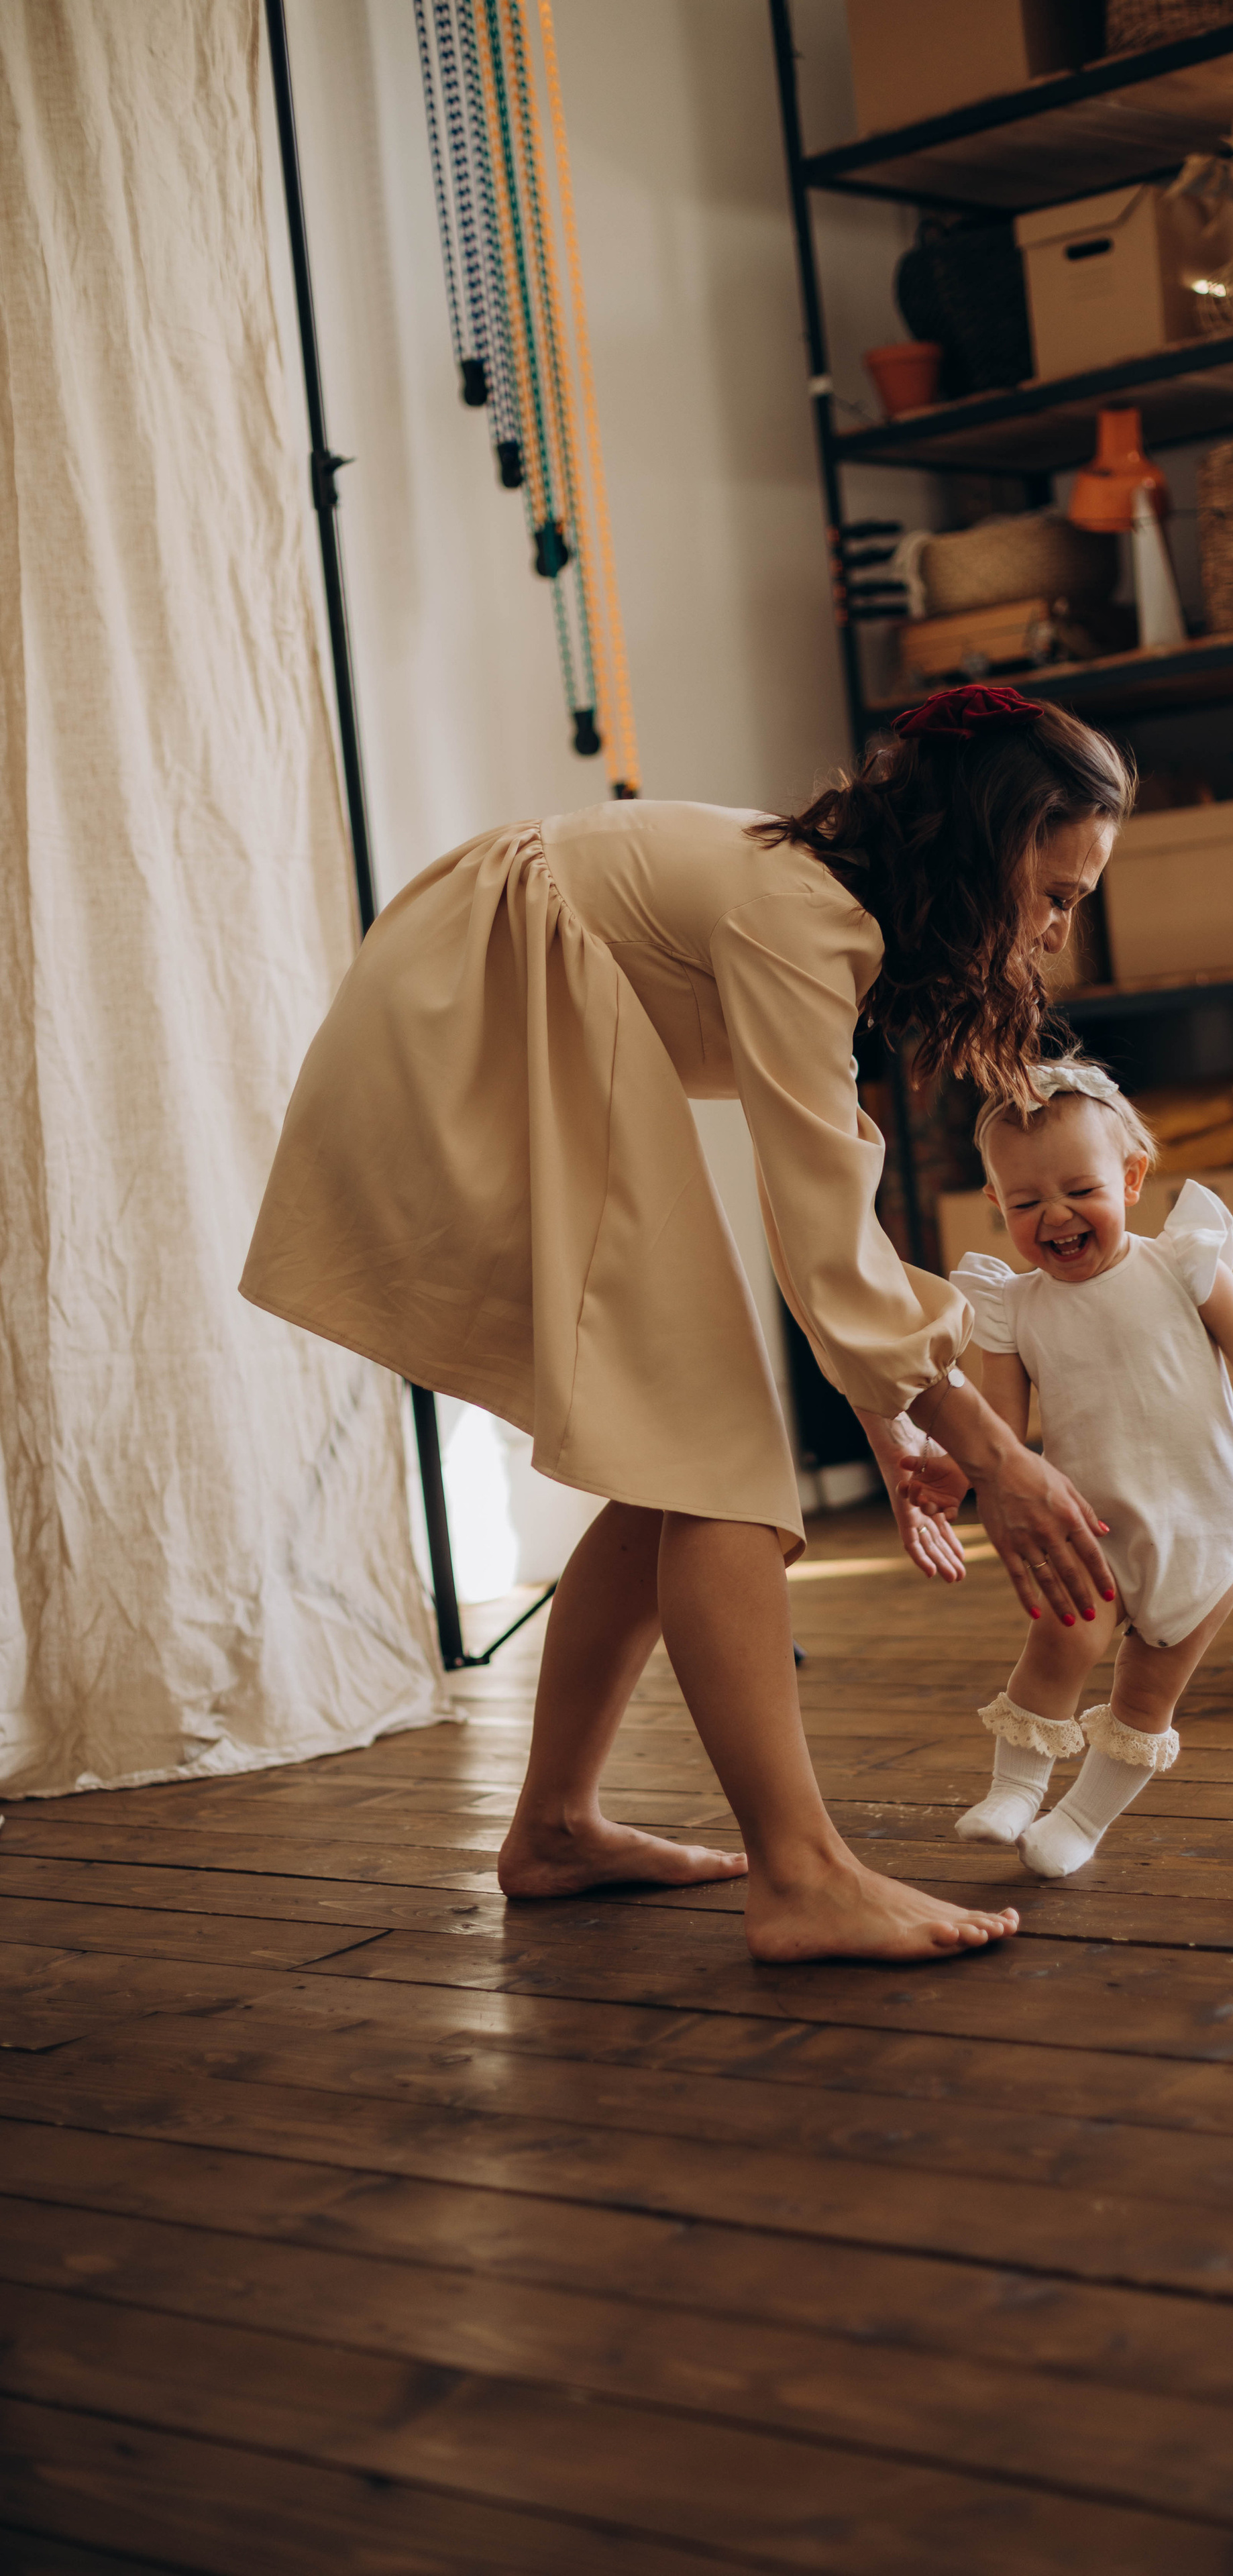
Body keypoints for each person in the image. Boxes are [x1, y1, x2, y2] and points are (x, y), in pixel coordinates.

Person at [240, 684, 1132, 1962]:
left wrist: (893, 1421)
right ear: (980, 849)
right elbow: (832, 1242)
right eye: (1054, 895)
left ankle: (553, 1827)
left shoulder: (822, 910)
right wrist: (999, 1458)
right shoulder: (800, 915)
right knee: (715, 1451)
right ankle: (803, 1872)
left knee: (682, 1450)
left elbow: (817, 1201)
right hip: (463, 1039)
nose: (1055, 934)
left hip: (483, 1016)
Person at [941, 1058, 1233, 1878]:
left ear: (1130, 1180)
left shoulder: (1183, 1267)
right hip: (1085, 1525)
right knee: (1059, 1648)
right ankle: (1016, 1789)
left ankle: (1082, 1822)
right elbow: (996, 1430)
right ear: (996, 1204)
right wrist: (961, 1474)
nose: (1054, 1216)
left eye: (1078, 1191)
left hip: (1202, 1522)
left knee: (1145, 1692)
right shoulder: (1011, 1308)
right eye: (1025, 1203)